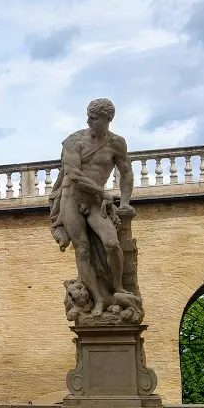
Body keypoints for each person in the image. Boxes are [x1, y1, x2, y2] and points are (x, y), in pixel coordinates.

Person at [49, 98, 136, 317]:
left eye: (94, 118)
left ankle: (118, 288)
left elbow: (126, 172)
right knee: (82, 249)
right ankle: (97, 299)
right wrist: (103, 193)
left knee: (112, 243)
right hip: (73, 199)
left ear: (108, 119)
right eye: (88, 116)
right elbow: (74, 175)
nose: (89, 121)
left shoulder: (117, 143)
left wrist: (124, 202)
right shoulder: (73, 141)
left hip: (96, 202)